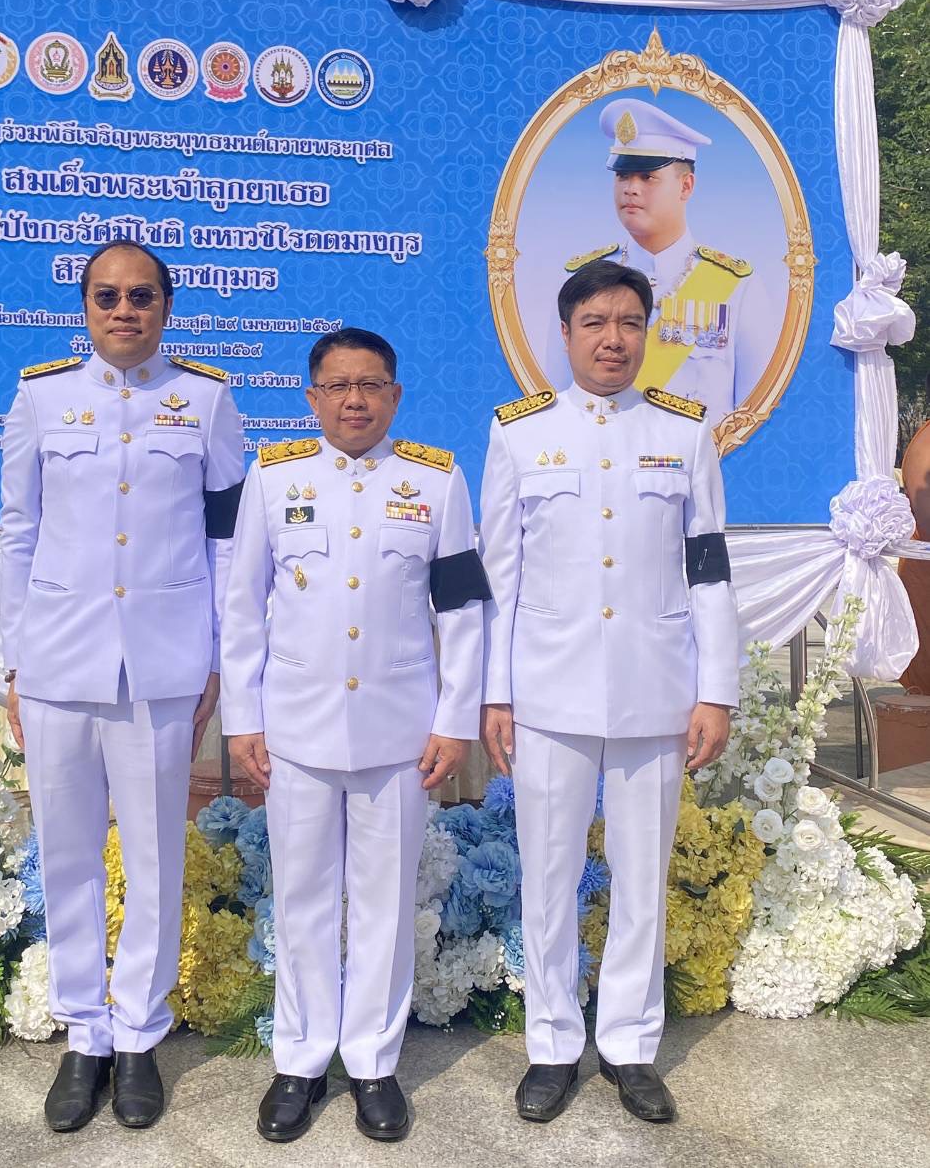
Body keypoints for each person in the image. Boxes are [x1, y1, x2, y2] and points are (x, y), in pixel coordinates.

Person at [480, 259, 738, 1126]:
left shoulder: (686, 433)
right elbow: (499, 580)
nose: (613, 338)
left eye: (629, 321)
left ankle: (629, 1043)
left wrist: (718, 689)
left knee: (641, 875)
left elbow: (709, 571)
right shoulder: (519, 434)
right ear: (566, 331)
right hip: (547, 691)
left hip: (654, 689)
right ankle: (551, 1043)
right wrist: (494, 693)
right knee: (548, 877)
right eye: (594, 321)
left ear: (648, 330)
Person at [221, 327, 489, 1144]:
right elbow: (240, 609)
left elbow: (464, 609)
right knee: (300, 897)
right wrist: (243, 719)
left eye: (371, 384)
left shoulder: (436, 483)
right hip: (297, 730)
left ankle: (373, 1060)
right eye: (337, 385)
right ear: (311, 397)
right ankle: (299, 1061)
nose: (354, 400)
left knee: (383, 903)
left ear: (395, 396)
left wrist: (455, 718)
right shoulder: (273, 478)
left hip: (400, 733)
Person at [0, 240, 244, 1133]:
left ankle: (139, 1029)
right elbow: (18, 534)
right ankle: (84, 1034)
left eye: (142, 295)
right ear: (86, 304)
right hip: (60, 658)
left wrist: (217, 654)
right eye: (108, 295)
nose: (124, 310)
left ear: (166, 305)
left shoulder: (209, 401)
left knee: (152, 852)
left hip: (163, 663)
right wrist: (16, 660)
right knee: (65, 849)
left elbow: (228, 539)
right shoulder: (41, 396)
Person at [544, 97, 774, 425]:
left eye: (647, 177)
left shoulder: (736, 287)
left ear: (686, 186)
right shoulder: (580, 279)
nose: (630, 189)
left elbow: (754, 416)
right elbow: (557, 403)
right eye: (622, 176)